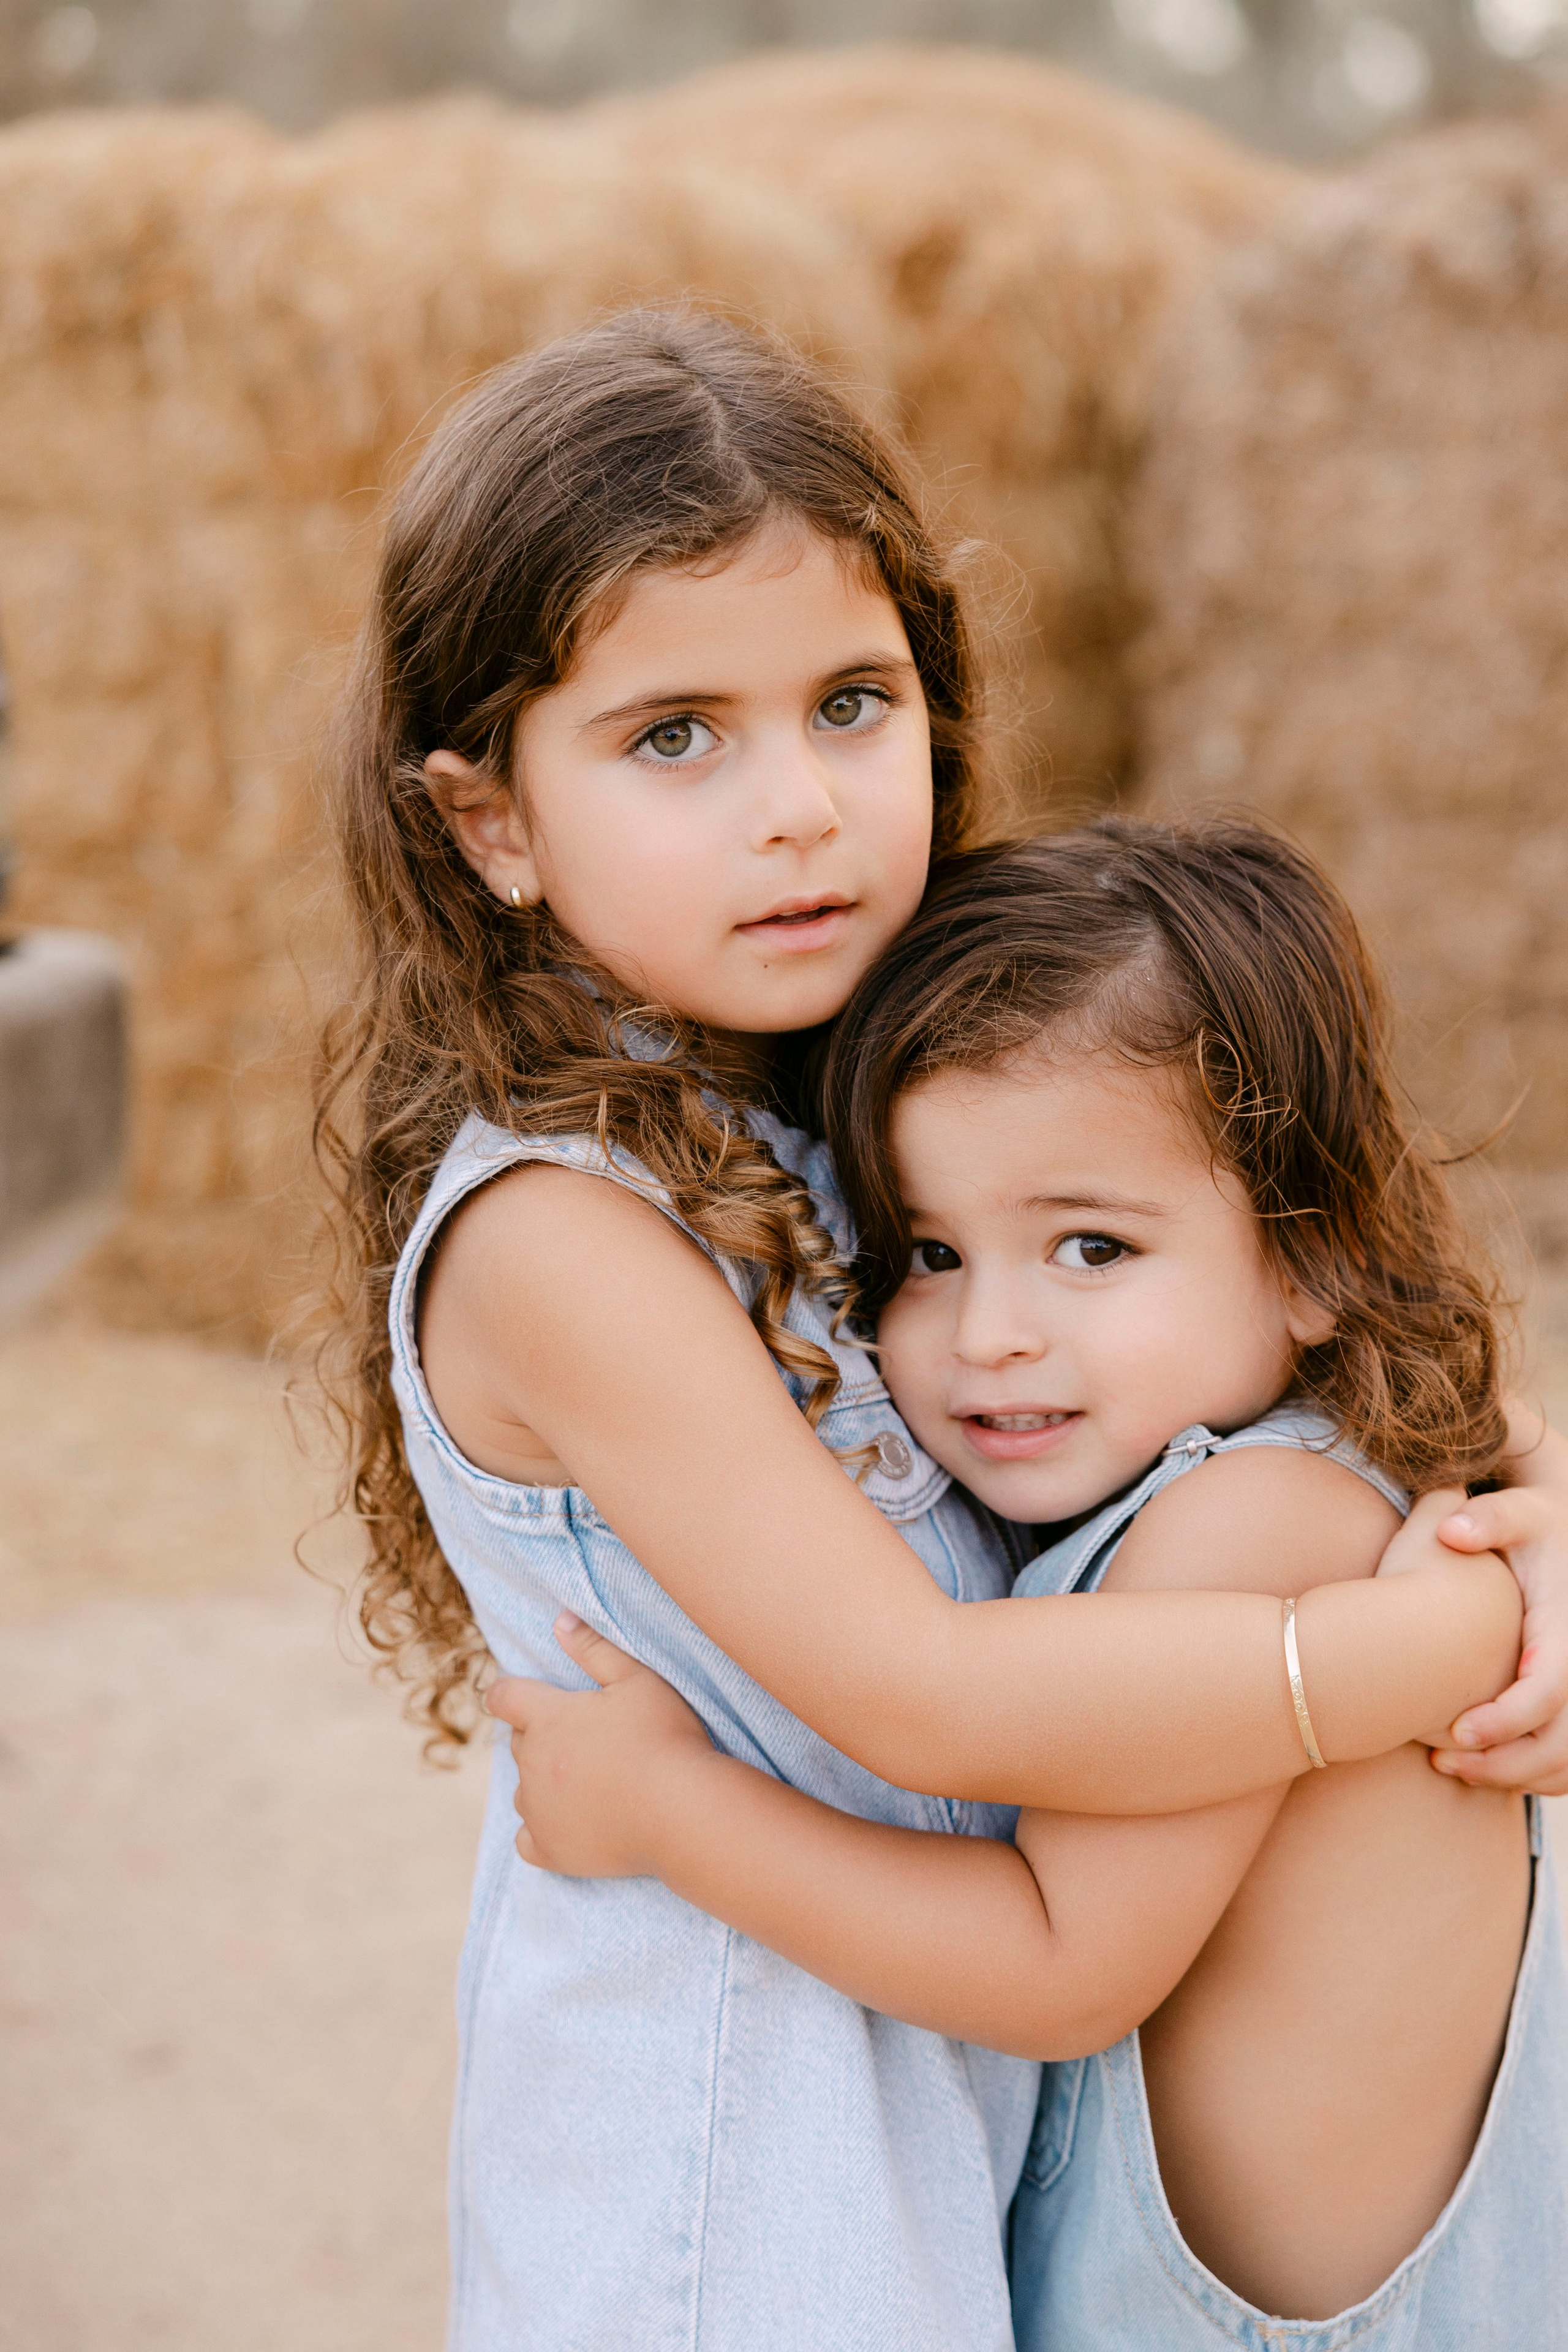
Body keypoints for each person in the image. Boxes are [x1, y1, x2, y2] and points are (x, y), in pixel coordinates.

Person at [318, 307, 1568, 2352]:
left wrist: (1536, 1511)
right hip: (723, 2182)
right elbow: (916, 1691)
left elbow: (1318, 1292)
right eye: (675, 738)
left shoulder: (846, 1094)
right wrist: (1446, 1636)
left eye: (850, 702)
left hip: (923, 2122)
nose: (799, 805)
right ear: (492, 825)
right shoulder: (561, 1232)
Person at [495, 820, 1568, 2349]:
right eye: (926, 1253)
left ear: (1313, 1252)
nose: (989, 1331)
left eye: (1086, 1246)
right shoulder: (1326, 1453)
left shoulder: (1245, 1526)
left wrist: (673, 1815)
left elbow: (1059, 1965)